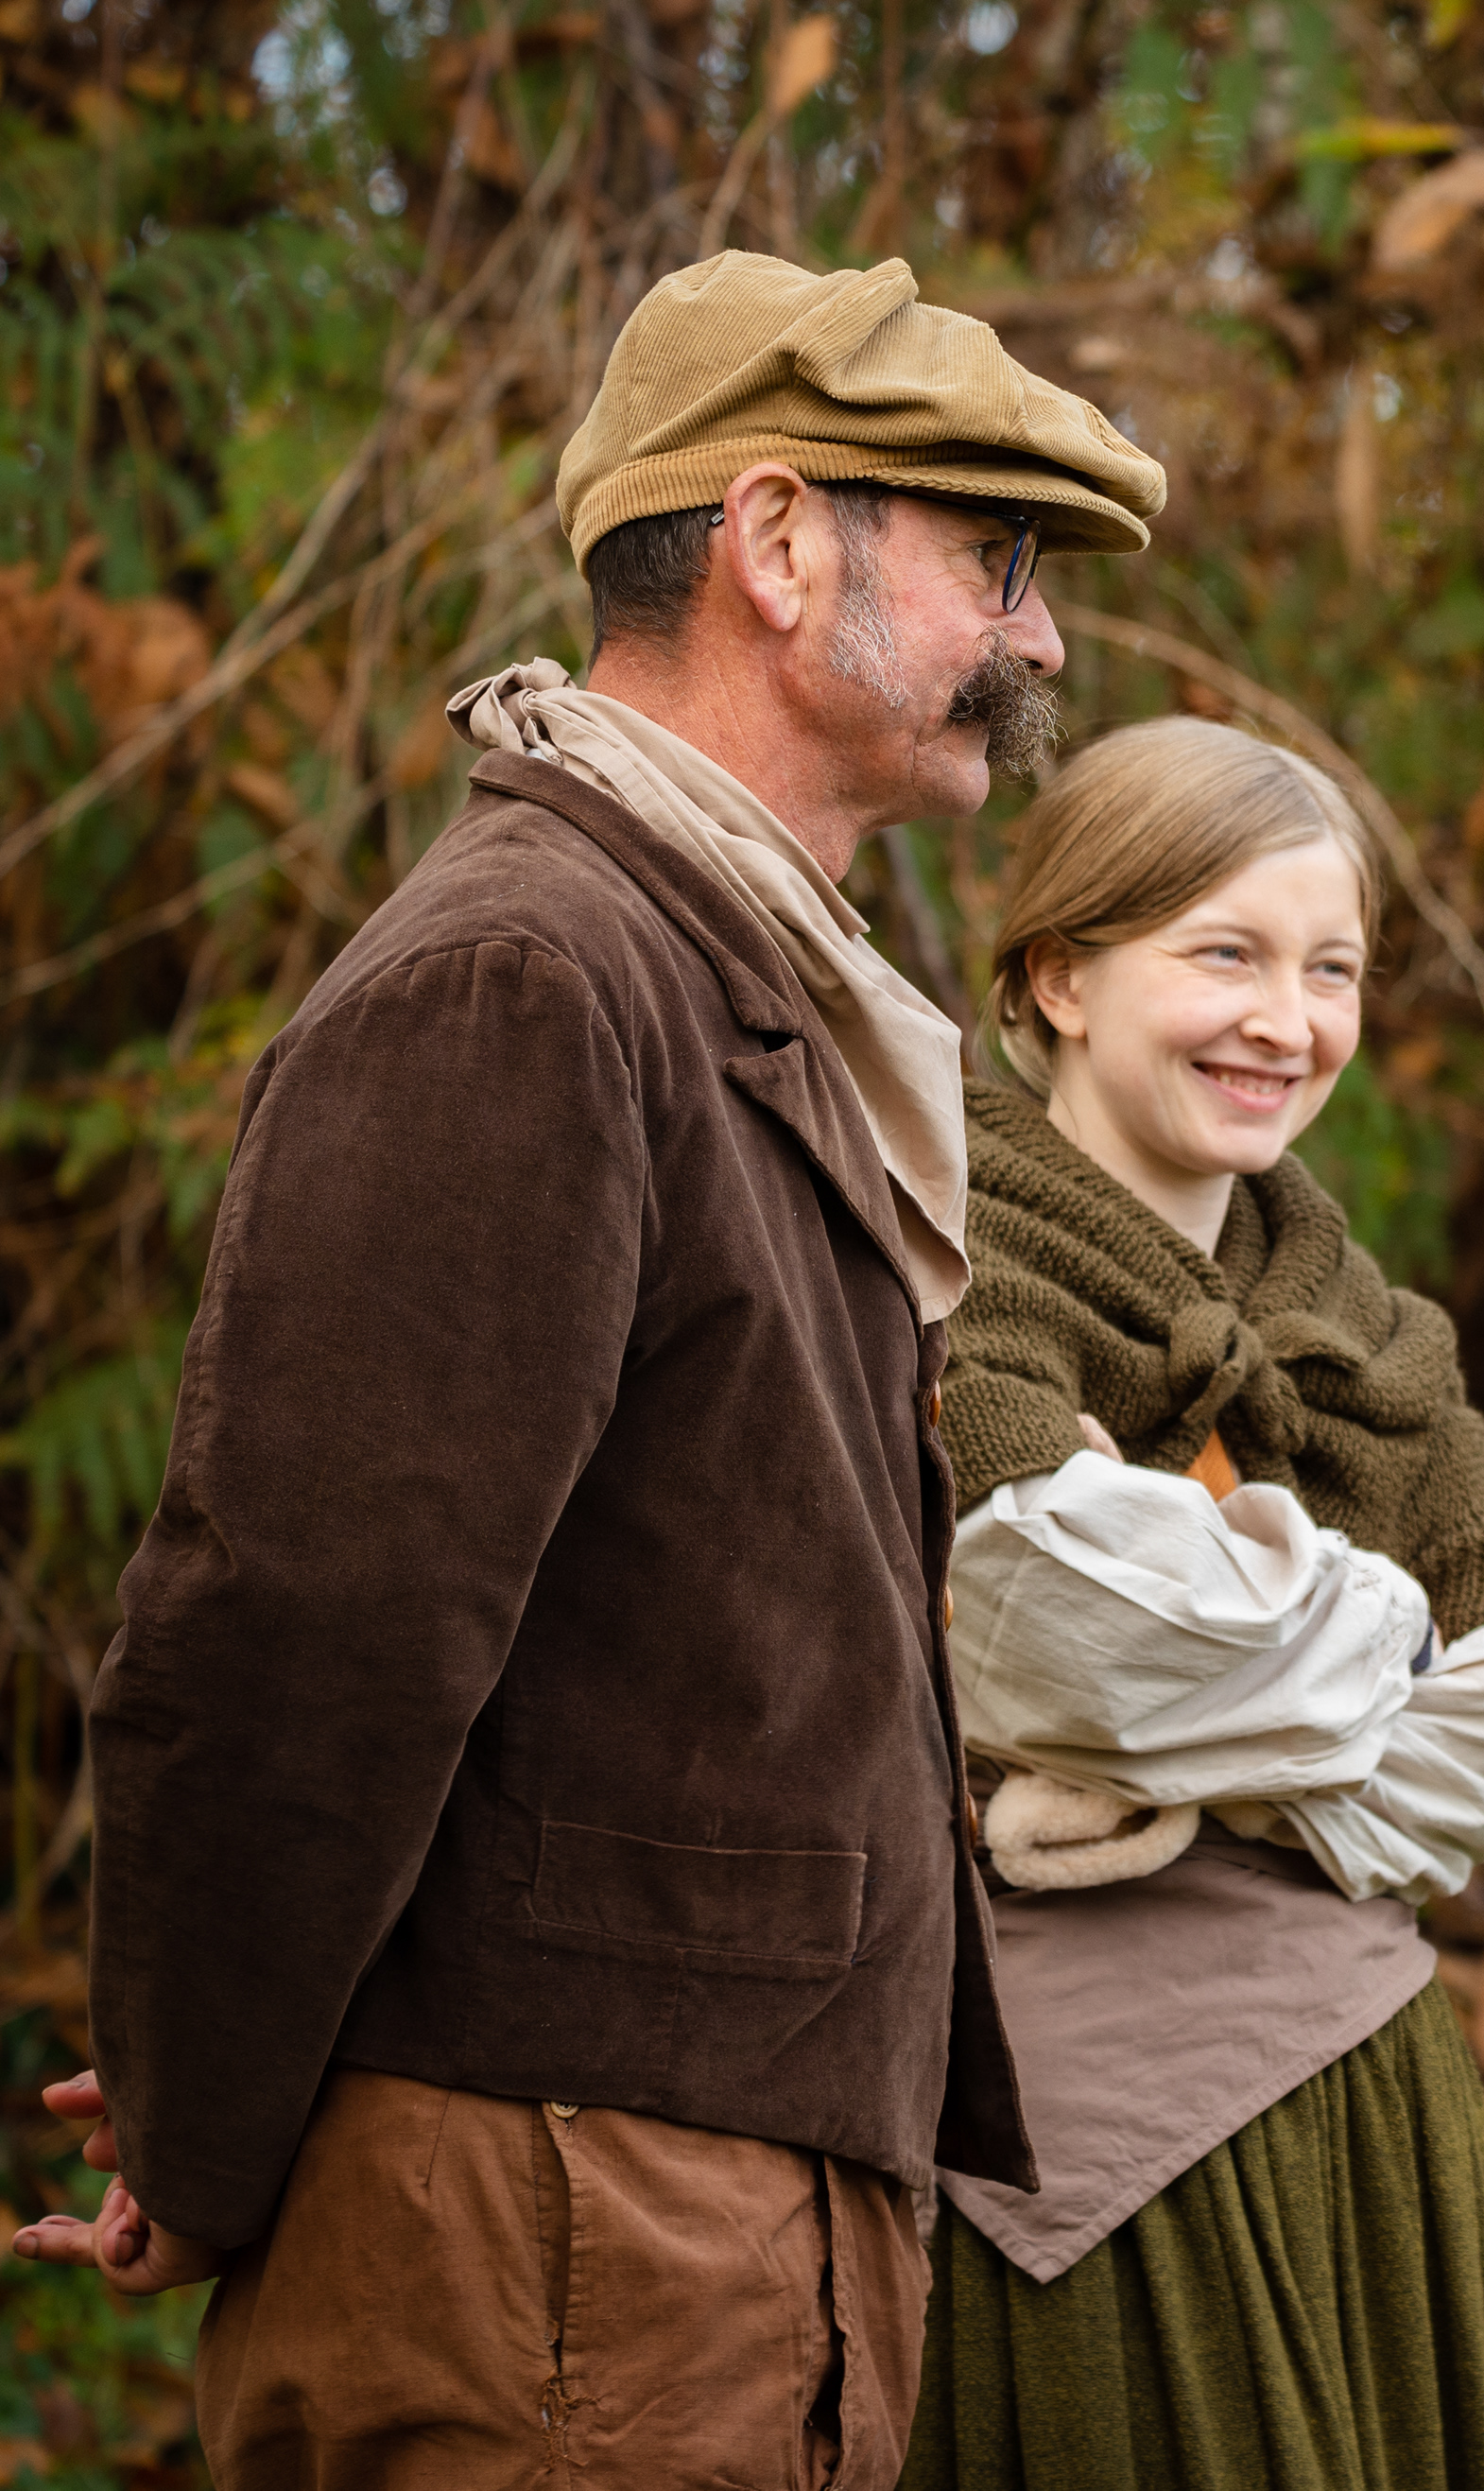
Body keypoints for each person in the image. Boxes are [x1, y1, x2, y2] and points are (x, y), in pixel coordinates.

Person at [9, 251, 1164, 2489]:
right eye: (995, 558)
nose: (1036, 637)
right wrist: (208, 2112)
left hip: (671, 2245)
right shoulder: (533, 975)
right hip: (557, 2247)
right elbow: (297, 1631)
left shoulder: (721, 971)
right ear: (776, 540)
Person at [906, 716, 1484, 2490]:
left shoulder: (1354, 1311)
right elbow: (1052, 1629)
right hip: (1074, 2135)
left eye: (1332, 969)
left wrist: (1234, 1710)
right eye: (1224, 954)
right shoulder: (948, 1246)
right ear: (1059, 973)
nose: (1288, 1021)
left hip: (1369, 2103)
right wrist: (1380, 1653)